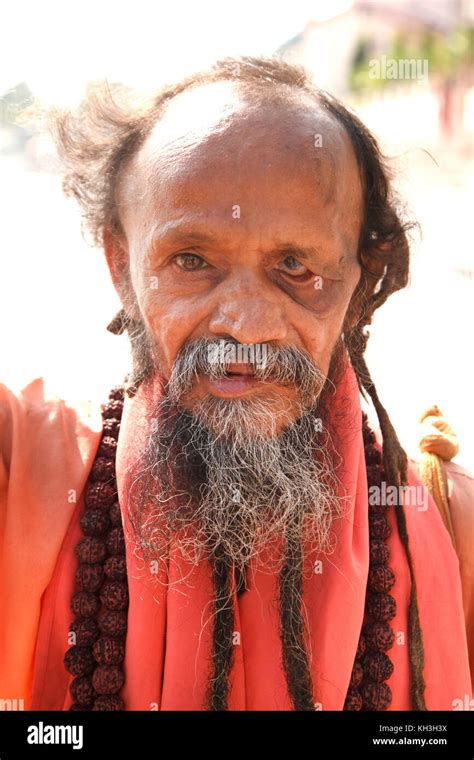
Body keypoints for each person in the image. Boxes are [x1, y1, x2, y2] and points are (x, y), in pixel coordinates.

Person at [0, 56, 472, 712]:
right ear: (120, 268)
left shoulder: (454, 527)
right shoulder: (26, 471)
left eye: (295, 265)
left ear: (359, 278)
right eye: (191, 260)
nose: (246, 324)